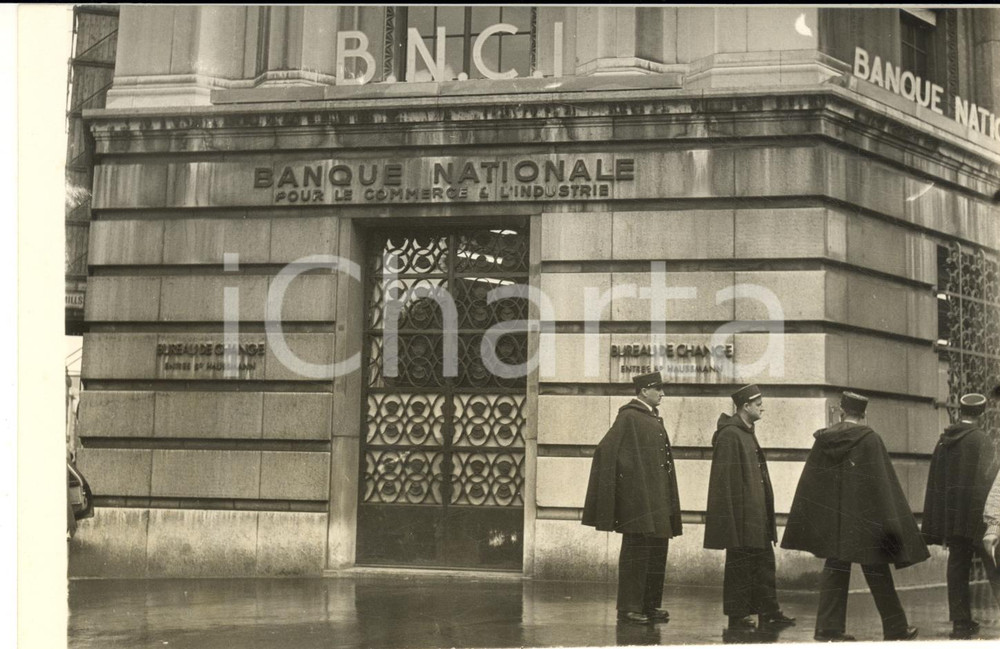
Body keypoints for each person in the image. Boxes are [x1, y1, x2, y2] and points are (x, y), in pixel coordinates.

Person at [782, 391, 928, 642]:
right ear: (864, 413)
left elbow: (814, 481)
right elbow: (882, 484)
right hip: (865, 521)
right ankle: (896, 628)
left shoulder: (824, 439)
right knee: (878, 570)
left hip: (836, 521)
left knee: (835, 567)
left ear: (841, 411)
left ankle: (827, 629)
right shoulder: (870, 440)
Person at [582, 371, 682, 625]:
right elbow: (606, 450)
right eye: (658, 389)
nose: (662, 393)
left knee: (656, 552)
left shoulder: (652, 417)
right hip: (639, 504)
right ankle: (628, 608)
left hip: (657, 502)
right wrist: (629, 487)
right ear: (644, 391)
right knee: (636, 554)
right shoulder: (628, 416)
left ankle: (649, 605)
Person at [703, 384, 795, 632]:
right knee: (740, 564)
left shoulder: (745, 431)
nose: (762, 408)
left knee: (764, 562)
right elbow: (724, 482)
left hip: (756, 513)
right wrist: (731, 520)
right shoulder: (730, 435)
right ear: (745, 406)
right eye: (758, 404)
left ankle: (769, 611)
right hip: (742, 515)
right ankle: (737, 615)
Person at [921, 393, 1000, 639]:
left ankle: (960, 623)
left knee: (957, 568)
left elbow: (937, 482)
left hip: (955, 520)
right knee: (995, 566)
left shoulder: (944, 441)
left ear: (960, 412)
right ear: (981, 414)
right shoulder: (982, 440)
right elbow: (989, 481)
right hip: (979, 518)